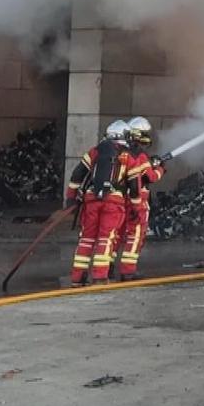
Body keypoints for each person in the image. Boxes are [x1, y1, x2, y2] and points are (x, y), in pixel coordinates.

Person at [66, 120, 137, 286]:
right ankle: (99, 276)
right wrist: (134, 205)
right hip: (113, 202)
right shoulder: (127, 156)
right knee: (106, 238)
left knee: (87, 237)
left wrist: (70, 198)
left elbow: (78, 174)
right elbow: (134, 185)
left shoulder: (95, 152)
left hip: (91, 200)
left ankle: (78, 277)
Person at [114, 116, 164, 282]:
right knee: (135, 235)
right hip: (138, 201)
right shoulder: (141, 156)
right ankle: (128, 271)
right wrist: (160, 168)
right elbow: (150, 177)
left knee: (117, 235)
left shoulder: (124, 152)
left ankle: (106, 268)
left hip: (122, 200)